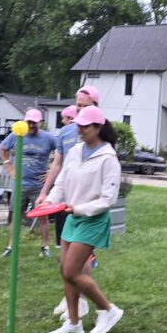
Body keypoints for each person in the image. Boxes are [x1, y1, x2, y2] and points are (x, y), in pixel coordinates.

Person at [44, 105, 124, 333]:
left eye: (85, 126)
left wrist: (78, 208)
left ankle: (108, 310)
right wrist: (50, 201)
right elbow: (62, 181)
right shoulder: (76, 151)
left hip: (92, 219)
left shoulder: (108, 159)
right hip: (72, 217)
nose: (79, 129)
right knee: (64, 269)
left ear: (98, 127)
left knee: (71, 271)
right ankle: (74, 322)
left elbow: (107, 200)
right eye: (78, 125)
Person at [40, 88, 98, 319]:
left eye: (84, 106)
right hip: (64, 200)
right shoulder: (65, 132)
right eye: (77, 105)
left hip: (85, 204)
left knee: (81, 255)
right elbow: (57, 164)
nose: (79, 110)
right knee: (64, 254)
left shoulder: (99, 132)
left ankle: (81, 300)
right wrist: (45, 193)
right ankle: (70, 296)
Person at [0, 108, 57, 259]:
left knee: (43, 217)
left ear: (40, 122)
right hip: (20, 185)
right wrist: (9, 167)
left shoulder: (48, 138)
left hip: (38, 186)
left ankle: (45, 247)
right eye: (29, 122)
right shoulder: (17, 135)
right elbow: (2, 148)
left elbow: (61, 153)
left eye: (34, 122)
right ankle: (11, 246)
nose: (31, 125)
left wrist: (51, 172)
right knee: (16, 216)